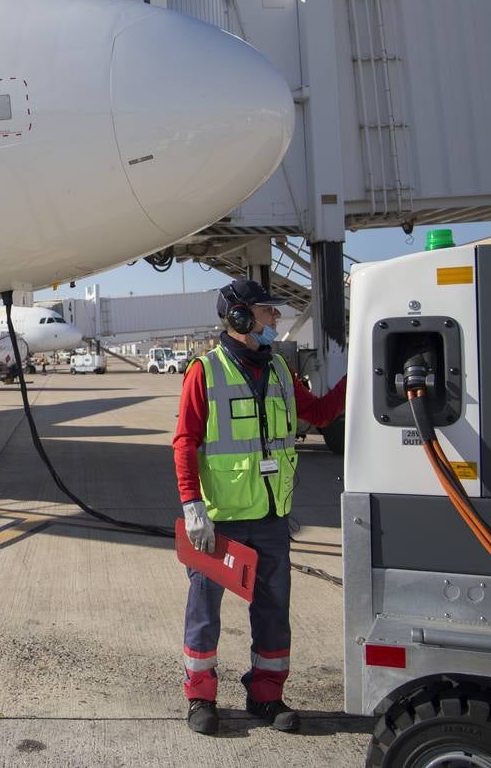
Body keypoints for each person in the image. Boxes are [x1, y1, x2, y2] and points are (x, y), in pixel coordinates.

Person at [174, 279, 346, 736]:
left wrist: (362, 376)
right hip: (220, 521)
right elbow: (185, 443)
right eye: (269, 312)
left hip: (271, 518)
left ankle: (266, 696)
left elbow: (322, 413)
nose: (276, 319)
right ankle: (200, 697)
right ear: (240, 317)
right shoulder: (204, 371)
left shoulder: (279, 370)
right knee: (205, 613)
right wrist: (192, 504)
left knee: (273, 611)